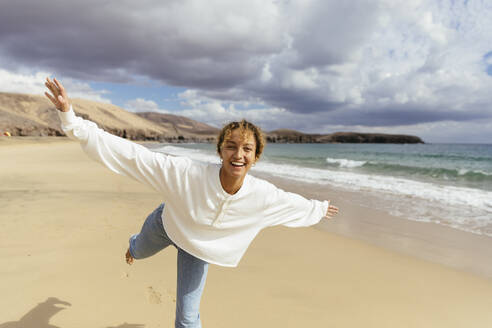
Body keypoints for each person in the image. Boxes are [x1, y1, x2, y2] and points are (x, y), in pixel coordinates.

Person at [44, 77, 339, 328]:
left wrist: (318, 208)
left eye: (247, 148)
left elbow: (289, 204)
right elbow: (134, 156)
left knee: (187, 317)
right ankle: (134, 244)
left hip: (199, 247)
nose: (238, 154)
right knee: (140, 250)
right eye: (231, 146)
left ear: (256, 156)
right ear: (220, 151)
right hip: (167, 224)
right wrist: (71, 119)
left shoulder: (262, 194)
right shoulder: (186, 174)